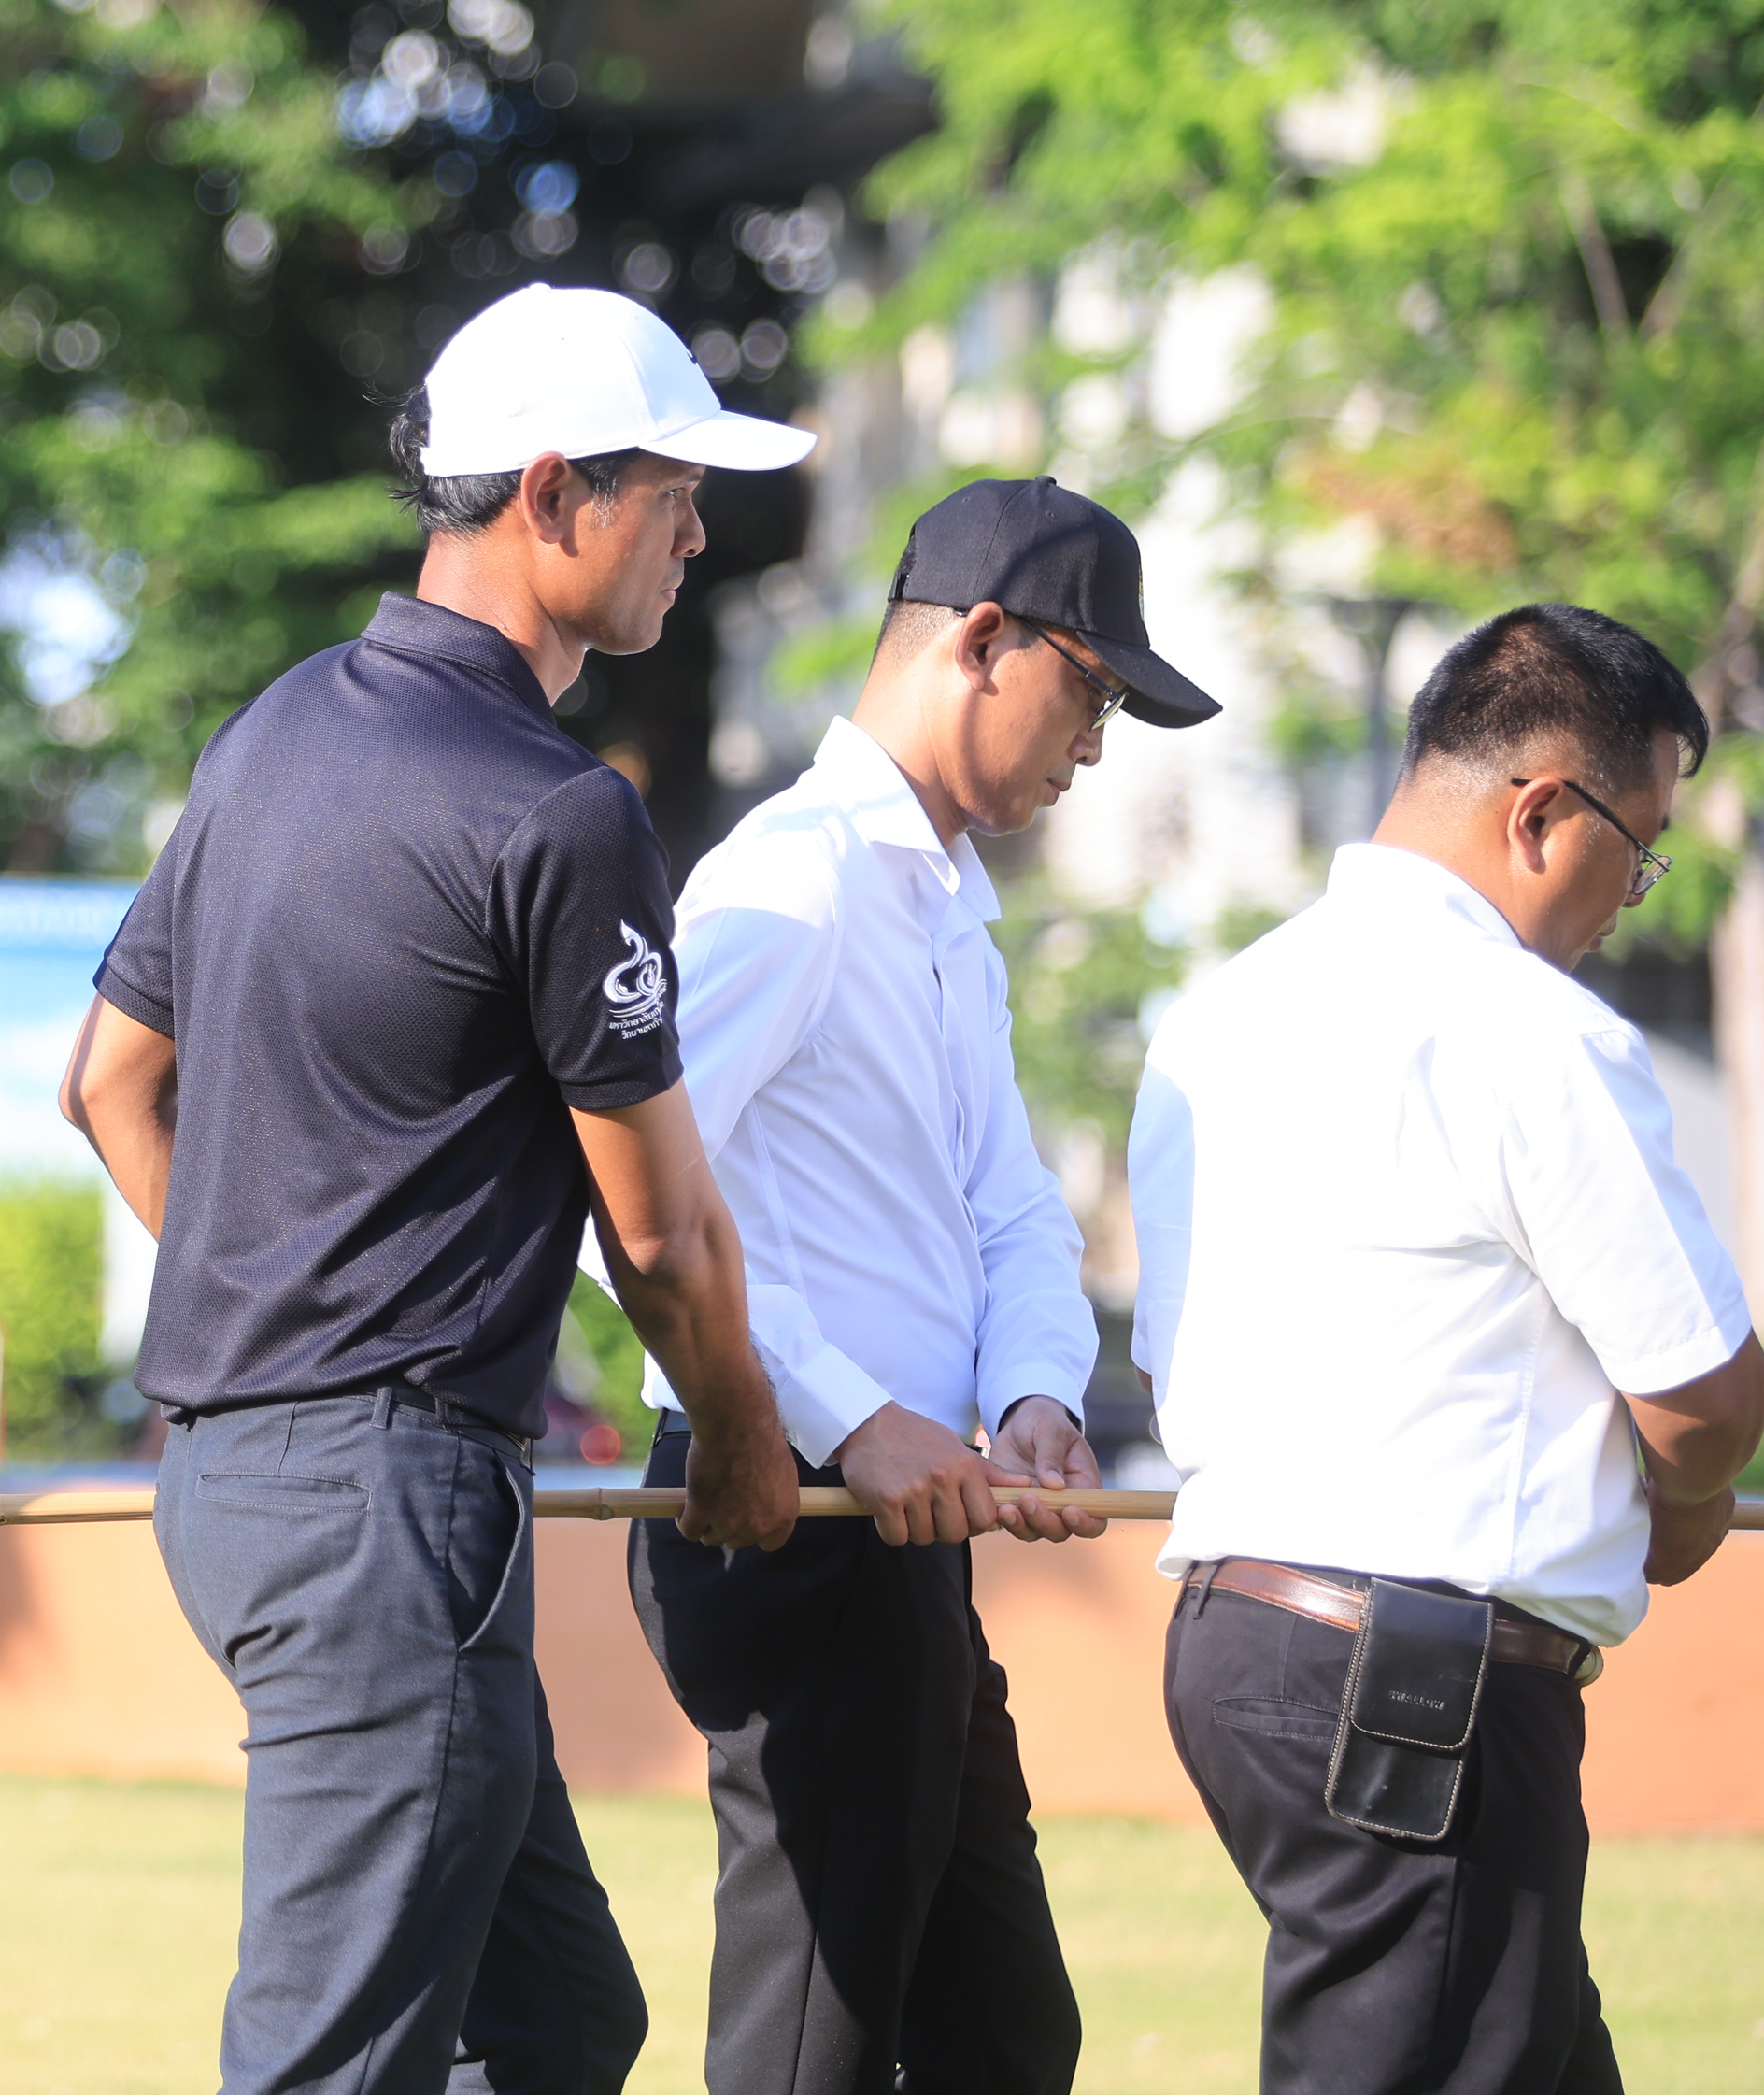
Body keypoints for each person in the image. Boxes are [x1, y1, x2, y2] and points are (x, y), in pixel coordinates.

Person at [62, 282, 805, 2095]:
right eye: (671, 490)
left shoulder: (273, 731)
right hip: (378, 1506)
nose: (700, 531)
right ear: (554, 494)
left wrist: (273, 1307)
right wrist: (737, 1440)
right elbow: (663, 1228)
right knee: (338, 2065)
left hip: (249, 1480)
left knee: (552, 2021)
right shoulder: (560, 810)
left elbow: (105, 1082)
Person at [620, 475, 1222, 2095]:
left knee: (1004, 2035)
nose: (1091, 747)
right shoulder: (787, 877)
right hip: (786, 1514)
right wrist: (842, 1415)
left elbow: (1012, 1206)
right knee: (809, 2044)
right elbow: (637, 1190)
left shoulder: (947, 903)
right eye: (1086, 694)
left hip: (901, 1528)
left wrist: (1033, 1393)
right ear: (978, 639)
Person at [1134, 603, 1764, 2095]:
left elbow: (1179, 1358)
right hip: (1418, 1679)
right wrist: (1674, 1524)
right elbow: (1700, 1392)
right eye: (1643, 842)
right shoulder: (1529, 1030)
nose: (1636, 893)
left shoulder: (1219, 1013)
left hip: (1255, 1639)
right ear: (1546, 812)